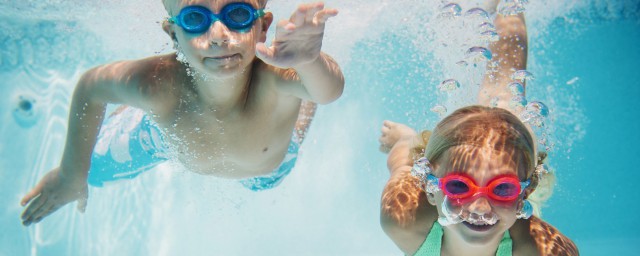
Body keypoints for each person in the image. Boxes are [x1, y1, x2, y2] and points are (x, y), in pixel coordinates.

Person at [20, 0, 344, 226]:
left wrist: (307, 61)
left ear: (263, 26)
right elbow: (91, 86)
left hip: (268, 166)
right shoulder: (155, 84)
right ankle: (133, 115)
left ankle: (300, 105)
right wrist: (70, 175)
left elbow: (330, 90)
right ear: (172, 34)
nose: (219, 36)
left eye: (238, 14)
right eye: (194, 19)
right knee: (94, 172)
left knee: (305, 94)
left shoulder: (277, 74)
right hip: (163, 140)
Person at [378, 2, 578, 256]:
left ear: (525, 192)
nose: (480, 208)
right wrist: (403, 145)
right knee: (407, 158)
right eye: (459, 186)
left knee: (506, 99)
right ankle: (408, 138)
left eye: (503, 189)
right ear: (430, 188)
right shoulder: (403, 218)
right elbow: (402, 169)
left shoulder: (543, 251)